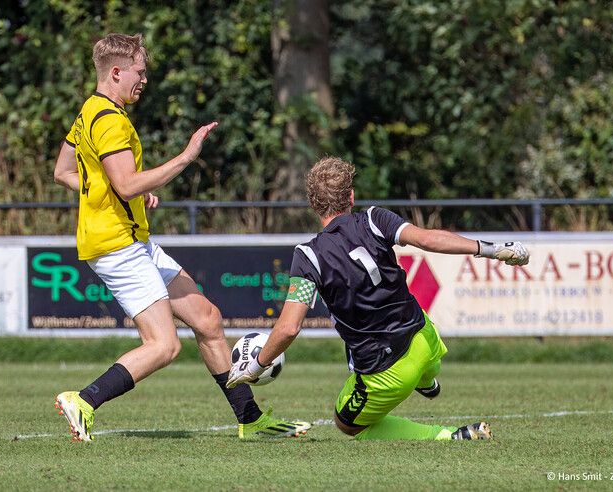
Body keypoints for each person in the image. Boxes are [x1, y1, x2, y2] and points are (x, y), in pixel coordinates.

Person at [52, 32, 310, 441]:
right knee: (164, 346)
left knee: (207, 319)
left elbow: (64, 171)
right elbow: (125, 184)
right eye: (140, 71)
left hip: (133, 239)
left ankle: (250, 419)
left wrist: (124, 189)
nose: (145, 79)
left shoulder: (89, 111)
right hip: (118, 246)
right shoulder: (110, 120)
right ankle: (83, 399)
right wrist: (184, 159)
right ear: (116, 72)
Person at [228, 156, 529, 441]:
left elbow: (289, 327)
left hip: (386, 370)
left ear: (312, 204)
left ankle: (450, 435)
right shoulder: (375, 219)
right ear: (351, 197)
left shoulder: (308, 257)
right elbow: (426, 239)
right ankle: (427, 379)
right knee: (421, 347)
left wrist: (256, 365)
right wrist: (490, 249)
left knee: (346, 424)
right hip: (426, 335)